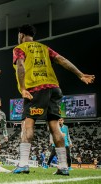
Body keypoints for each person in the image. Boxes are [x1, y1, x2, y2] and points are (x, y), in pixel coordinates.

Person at [12, 24, 95, 176]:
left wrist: (23, 88)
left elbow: (21, 65)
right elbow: (62, 60)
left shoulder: (20, 48)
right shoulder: (44, 48)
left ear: (21, 35)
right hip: (54, 89)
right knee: (55, 128)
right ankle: (63, 166)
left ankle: (23, 164)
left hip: (35, 89)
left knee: (28, 124)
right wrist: (80, 74)